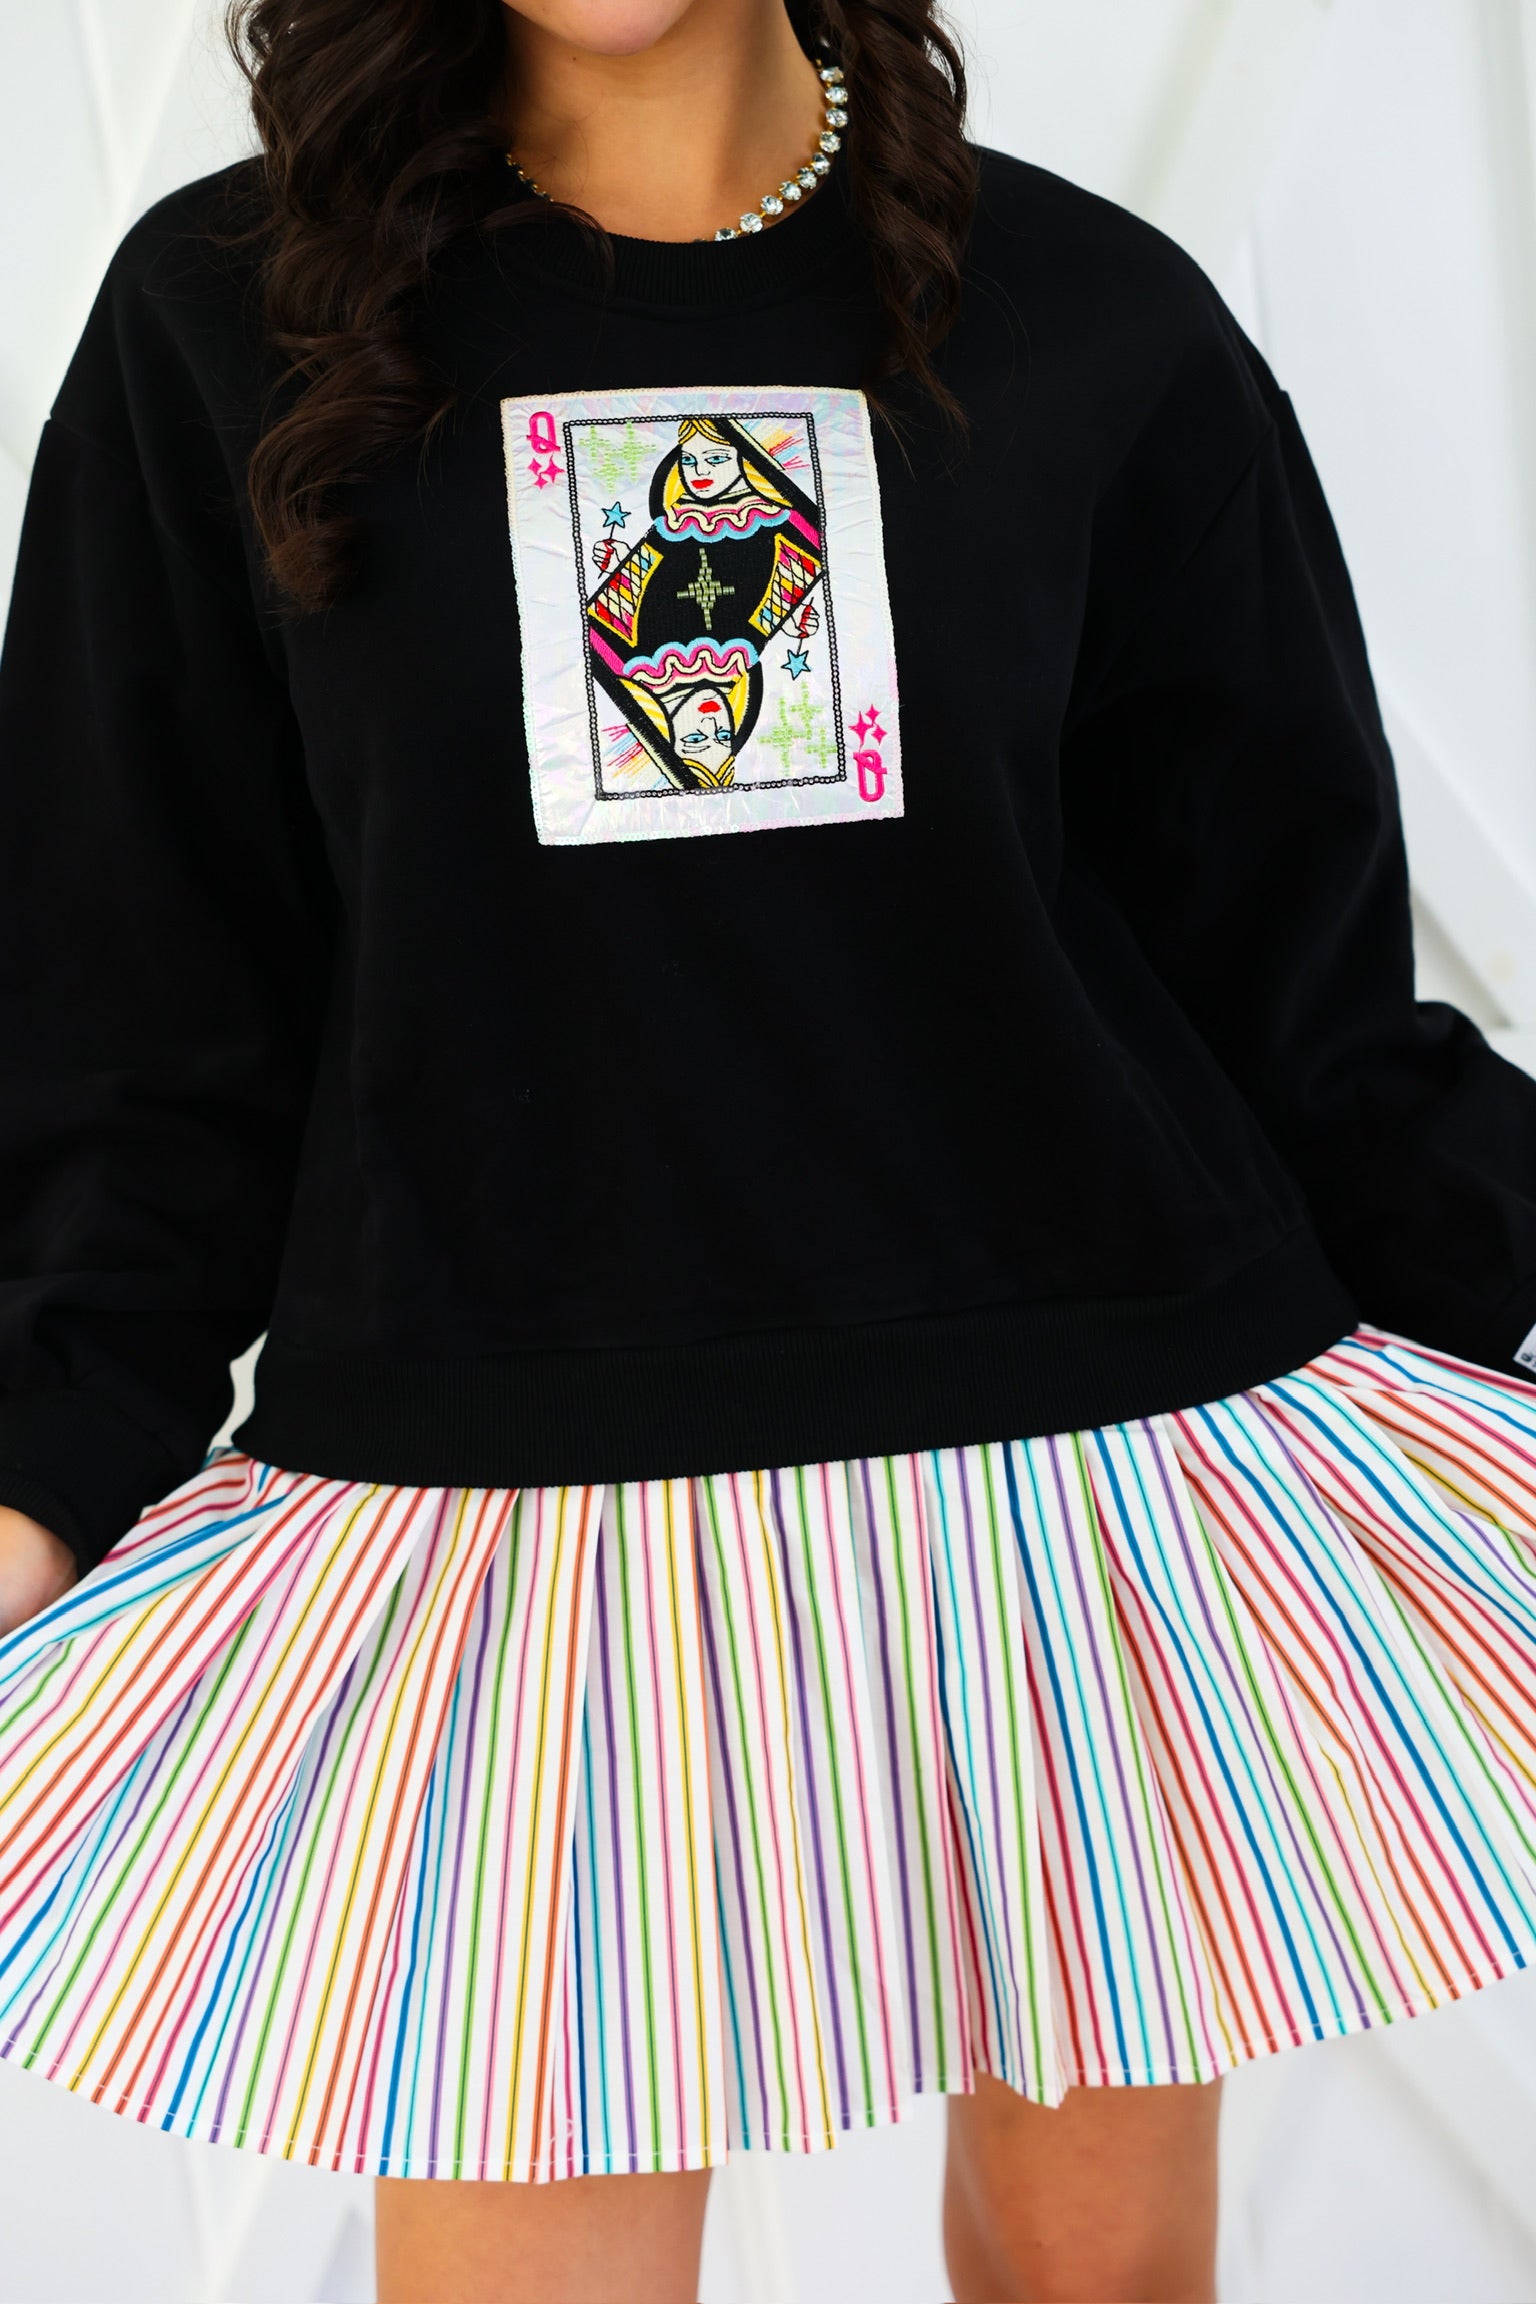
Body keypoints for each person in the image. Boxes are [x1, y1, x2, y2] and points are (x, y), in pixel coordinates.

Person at [1, 2, 1535, 2301]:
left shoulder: (1092, 315)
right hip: (508, 1502)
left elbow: (1289, 982)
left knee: (1094, 2272)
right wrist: (39, 1457)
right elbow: (146, 1009)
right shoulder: (225, 316)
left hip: (1101, 1482)